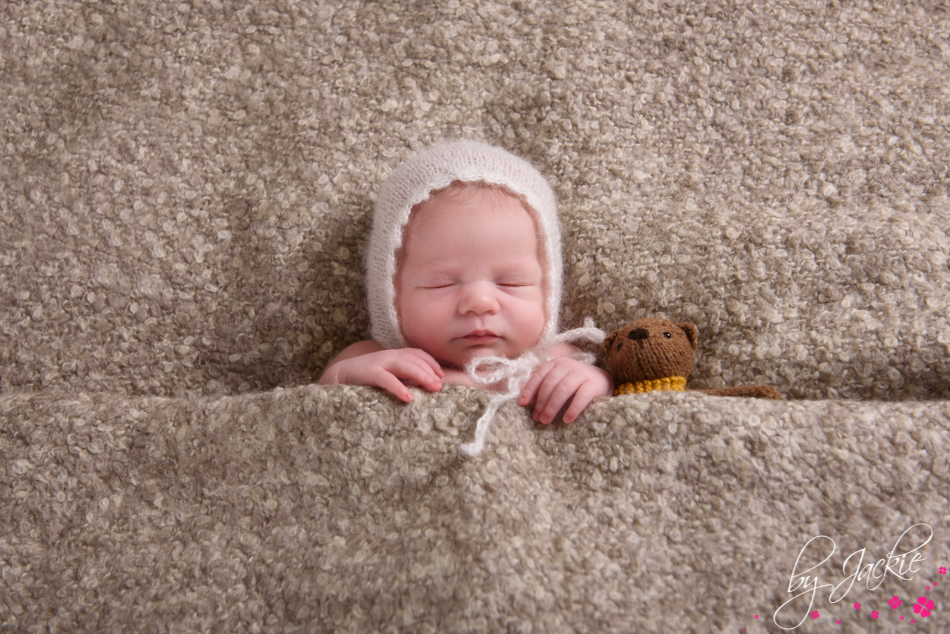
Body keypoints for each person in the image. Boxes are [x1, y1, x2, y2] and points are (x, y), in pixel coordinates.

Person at [319, 140, 612, 425]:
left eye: (512, 283)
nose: (480, 302)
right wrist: (343, 379)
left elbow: (615, 402)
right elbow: (316, 409)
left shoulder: (555, 361)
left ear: (548, 292)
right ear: (390, 296)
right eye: (441, 284)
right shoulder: (375, 358)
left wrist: (599, 381)